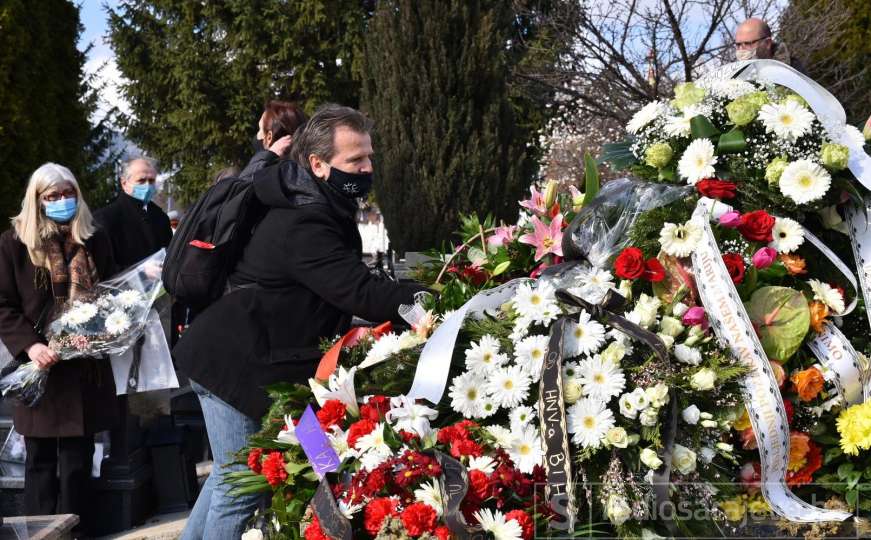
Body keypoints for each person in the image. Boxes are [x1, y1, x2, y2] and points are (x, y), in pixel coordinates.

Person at [173, 104, 425, 540]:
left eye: (369, 157)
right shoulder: (303, 219)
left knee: (318, 463)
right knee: (239, 486)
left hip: (282, 365)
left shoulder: (316, 202)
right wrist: (427, 301)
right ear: (317, 164)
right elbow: (357, 291)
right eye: (355, 161)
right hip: (236, 363)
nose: (367, 169)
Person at [0, 163, 118, 526]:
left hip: (84, 367)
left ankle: (77, 531)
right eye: (53, 196)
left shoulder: (93, 238)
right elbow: (3, 303)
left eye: (69, 193)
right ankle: (39, 531)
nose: (62, 201)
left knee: (77, 459)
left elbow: (111, 294)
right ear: (37, 200)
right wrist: (31, 346)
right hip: (41, 369)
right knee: (40, 460)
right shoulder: (15, 242)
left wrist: (100, 331)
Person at [94, 157, 173, 267]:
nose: (147, 186)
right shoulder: (106, 219)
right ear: (124, 183)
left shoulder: (161, 218)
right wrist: (141, 273)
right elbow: (103, 267)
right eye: (141, 180)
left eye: (151, 181)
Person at [238, 100, 308, 180]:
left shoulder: (269, 177)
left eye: (260, 129)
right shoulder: (309, 170)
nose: (257, 135)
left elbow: (242, 186)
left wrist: (267, 156)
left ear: (269, 138)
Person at [734, 18, 805, 72]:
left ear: (767, 43)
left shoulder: (793, 71)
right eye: (738, 44)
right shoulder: (735, 75)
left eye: (748, 43)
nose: (741, 50)